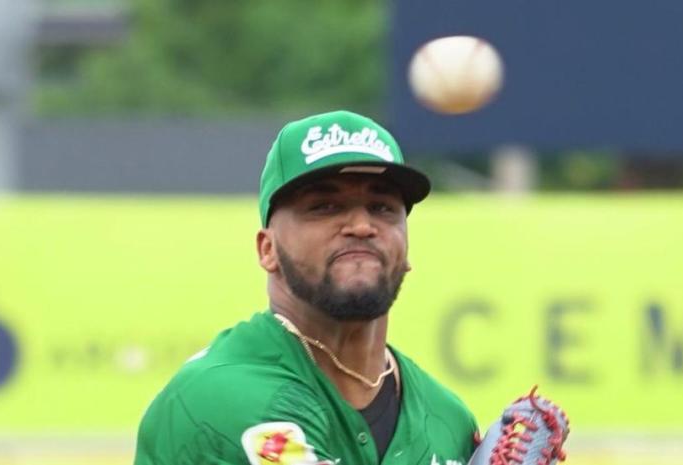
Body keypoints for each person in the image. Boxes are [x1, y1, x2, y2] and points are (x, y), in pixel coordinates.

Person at [135, 110, 479, 465]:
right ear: (267, 249)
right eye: (325, 206)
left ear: (406, 248)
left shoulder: (448, 421)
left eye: (382, 207)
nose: (361, 225)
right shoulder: (219, 395)